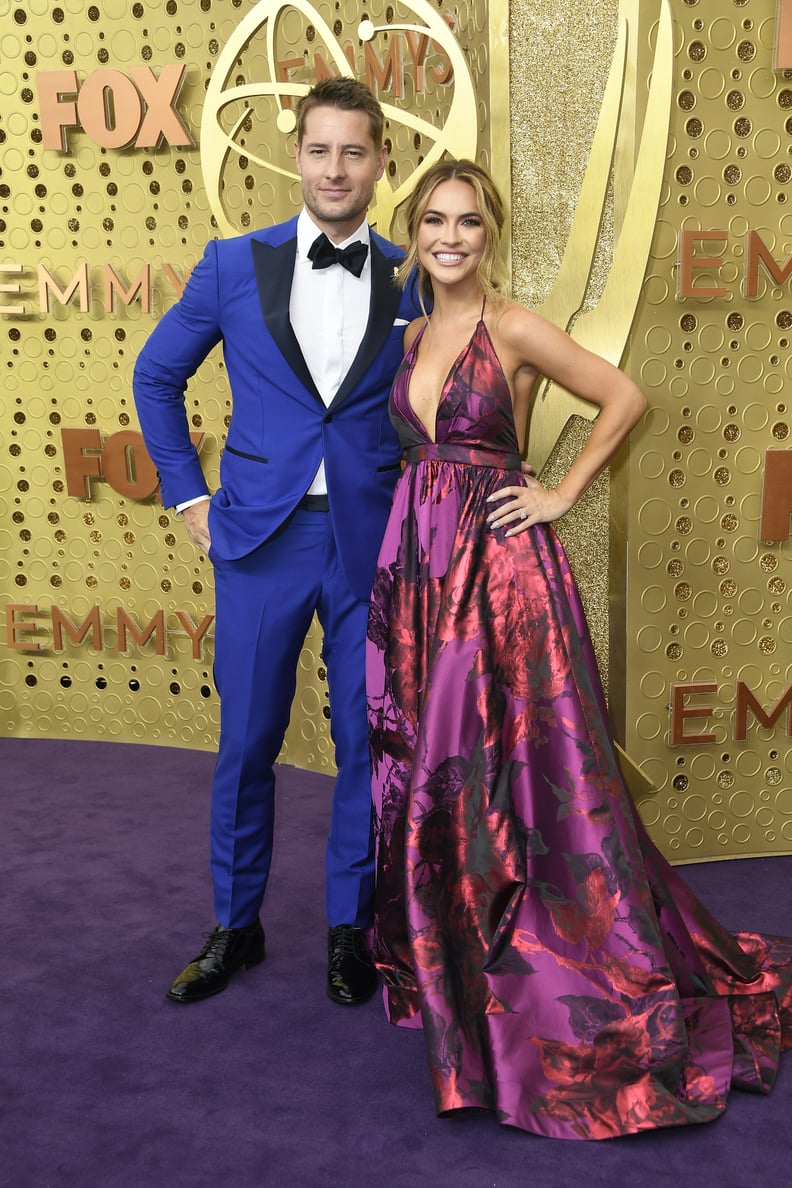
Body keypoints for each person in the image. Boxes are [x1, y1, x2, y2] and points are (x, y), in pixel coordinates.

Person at [366, 159, 792, 1138]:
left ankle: (546, 975)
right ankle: (459, 963)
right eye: (434, 220)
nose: (451, 237)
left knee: (521, 771)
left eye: (469, 222)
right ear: (414, 230)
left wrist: (558, 492)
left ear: (491, 233)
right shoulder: (416, 335)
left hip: (504, 582)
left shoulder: (508, 327)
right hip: (425, 575)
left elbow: (625, 396)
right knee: (442, 771)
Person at [133, 78, 422, 1007]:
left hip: (372, 544)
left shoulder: (414, 275)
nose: (336, 168)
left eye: (355, 152)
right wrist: (188, 499)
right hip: (261, 541)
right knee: (248, 739)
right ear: (296, 156)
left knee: (361, 744)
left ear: (382, 163)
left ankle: (350, 929)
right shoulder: (230, 263)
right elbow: (155, 377)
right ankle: (235, 928)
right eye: (320, 150)